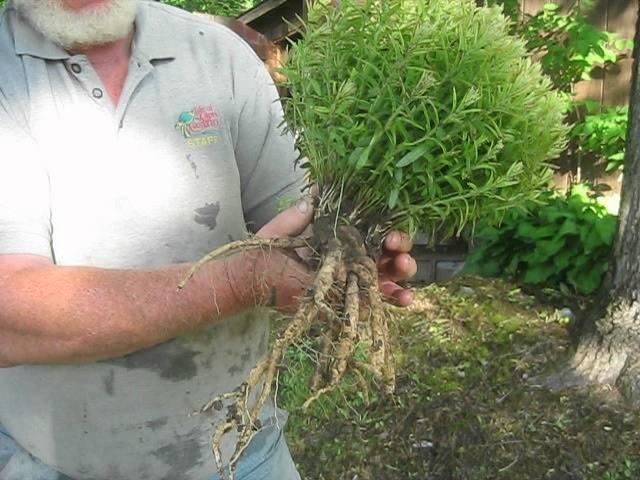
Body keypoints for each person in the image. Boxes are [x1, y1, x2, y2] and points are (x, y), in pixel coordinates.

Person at [0, 0, 417, 479]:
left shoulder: (218, 54)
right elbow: (9, 318)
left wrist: (338, 263)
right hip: (56, 463)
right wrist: (246, 279)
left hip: (246, 451)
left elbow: (291, 224)